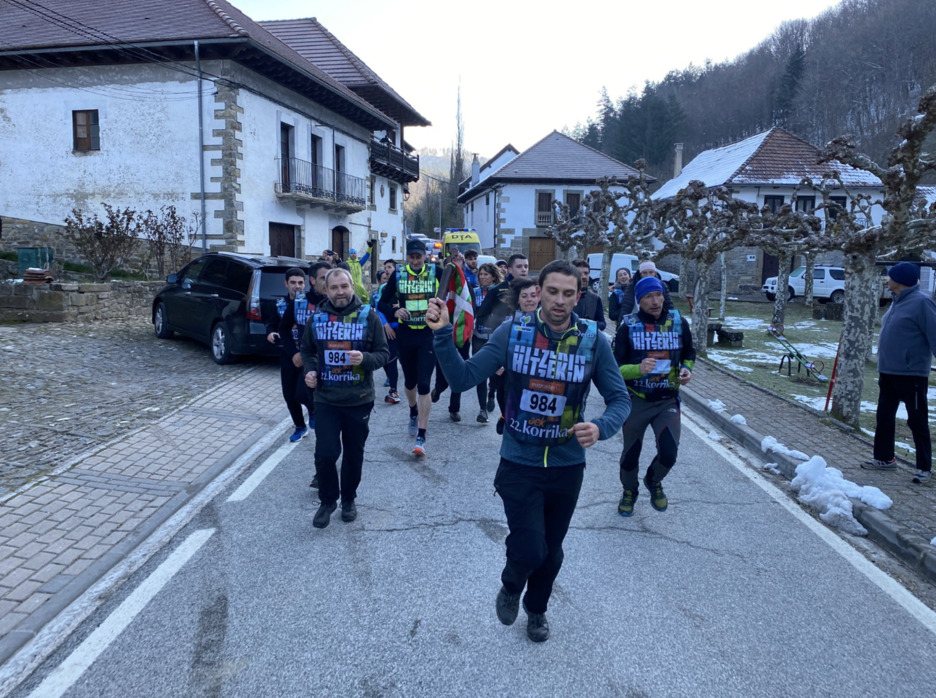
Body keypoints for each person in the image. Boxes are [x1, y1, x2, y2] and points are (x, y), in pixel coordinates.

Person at [427, 260, 630, 643]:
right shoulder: (513, 332)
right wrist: (441, 336)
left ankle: (536, 611)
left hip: (567, 464)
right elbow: (463, 377)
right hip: (519, 459)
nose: (559, 300)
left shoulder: (592, 340)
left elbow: (619, 400)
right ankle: (510, 585)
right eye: (552, 291)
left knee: (552, 552)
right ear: (539, 290)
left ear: (578, 296)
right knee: (529, 546)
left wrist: (601, 427)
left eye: (568, 294)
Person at [301, 268, 389, 528]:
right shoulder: (316, 319)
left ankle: (349, 498)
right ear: (325, 290)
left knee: (353, 454)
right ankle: (328, 501)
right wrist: (310, 371)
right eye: (334, 288)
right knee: (325, 454)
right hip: (326, 398)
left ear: (352, 287)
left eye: (344, 286)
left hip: (358, 398)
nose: (340, 292)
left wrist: (366, 359)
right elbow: (307, 351)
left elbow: (384, 353)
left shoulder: (368, 317)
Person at [614, 276, 695, 516]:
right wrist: (637, 369)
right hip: (636, 400)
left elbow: (690, 352)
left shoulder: (678, 322)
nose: (655, 301)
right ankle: (629, 491)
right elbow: (614, 368)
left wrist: (687, 369)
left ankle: (653, 480)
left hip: (666, 400)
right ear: (639, 300)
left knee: (669, 454)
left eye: (658, 294)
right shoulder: (628, 325)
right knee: (630, 457)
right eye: (648, 296)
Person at [862, 262, 936, 483]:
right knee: (884, 416)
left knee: (917, 420)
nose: (887, 279)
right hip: (888, 371)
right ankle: (884, 459)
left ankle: (924, 467)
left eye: (890, 277)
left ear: (900, 280)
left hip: (911, 374)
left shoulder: (922, 303)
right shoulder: (896, 302)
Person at [378, 238, 441, 457]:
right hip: (405, 334)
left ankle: (421, 436)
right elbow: (381, 303)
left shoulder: (436, 271)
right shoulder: (399, 274)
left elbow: (455, 292)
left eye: (419, 256)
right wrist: (394, 312)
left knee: (424, 383)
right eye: (411, 257)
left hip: (427, 334)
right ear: (407, 257)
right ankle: (413, 410)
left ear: (425, 255)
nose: (415, 260)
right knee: (411, 382)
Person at [475, 255, 529, 433]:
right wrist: (497, 327)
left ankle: (515, 421)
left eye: (526, 266)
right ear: (510, 270)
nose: (524, 270)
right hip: (503, 344)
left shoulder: (533, 290)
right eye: (520, 266)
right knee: (501, 385)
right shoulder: (497, 290)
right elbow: (482, 315)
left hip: (525, 345)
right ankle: (504, 414)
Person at [265, 267, 317, 442]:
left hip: (308, 356)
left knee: (302, 392)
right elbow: (272, 325)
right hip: (288, 355)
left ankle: (312, 409)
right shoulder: (280, 304)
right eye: (293, 283)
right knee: (289, 395)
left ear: (306, 283)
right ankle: (300, 426)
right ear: (286, 284)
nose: (297, 286)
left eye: (300, 283)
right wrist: (271, 333)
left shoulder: (311, 303)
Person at [471, 262, 503, 423]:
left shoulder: (501, 293)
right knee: (480, 373)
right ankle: (482, 409)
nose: (483, 277)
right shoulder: (474, 292)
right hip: (479, 337)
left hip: (496, 338)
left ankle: (492, 394)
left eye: (486, 274)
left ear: (494, 276)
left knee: (496, 374)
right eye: (481, 275)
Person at [372, 270, 401, 404]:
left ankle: (394, 387)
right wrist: (385, 324)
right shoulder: (384, 289)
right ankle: (393, 388)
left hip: (403, 327)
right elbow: (378, 307)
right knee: (389, 359)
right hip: (390, 328)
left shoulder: (405, 286)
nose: (388, 274)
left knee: (397, 358)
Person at [571, 259, 607, 331]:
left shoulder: (595, 299)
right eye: (580, 274)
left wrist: (589, 326)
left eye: (586, 273)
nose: (584, 277)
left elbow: (602, 323)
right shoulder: (564, 298)